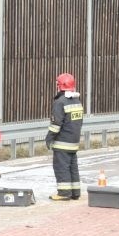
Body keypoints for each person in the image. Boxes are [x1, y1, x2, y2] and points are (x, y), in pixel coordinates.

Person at [46, 73, 84, 201]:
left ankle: (63, 193)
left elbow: (56, 124)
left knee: (61, 167)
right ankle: (75, 192)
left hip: (62, 142)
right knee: (73, 167)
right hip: (74, 141)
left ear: (60, 86)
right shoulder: (77, 101)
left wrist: (49, 138)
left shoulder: (60, 102)